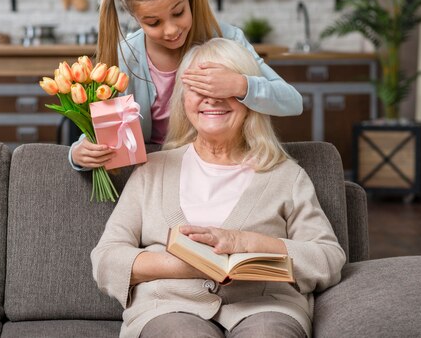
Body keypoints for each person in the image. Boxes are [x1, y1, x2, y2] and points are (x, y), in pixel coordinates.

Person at [91, 38, 345, 338]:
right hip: (168, 309)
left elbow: (328, 259)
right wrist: (192, 266)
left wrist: (246, 243)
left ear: (250, 99)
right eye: (199, 88)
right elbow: (106, 259)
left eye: (224, 89)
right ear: (184, 99)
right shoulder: (152, 170)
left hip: (266, 308)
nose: (212, 99)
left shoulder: (286, 176)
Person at [70, 0, 302, 169]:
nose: (170, 30)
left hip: (222, 163)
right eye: (153, 23)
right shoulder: (126, 56)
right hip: (161, 171)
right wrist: (78, 152)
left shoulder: (227, 38)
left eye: (178, 12)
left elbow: (292, 102)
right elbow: (105, 131)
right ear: (135, 17)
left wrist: (240, 85)